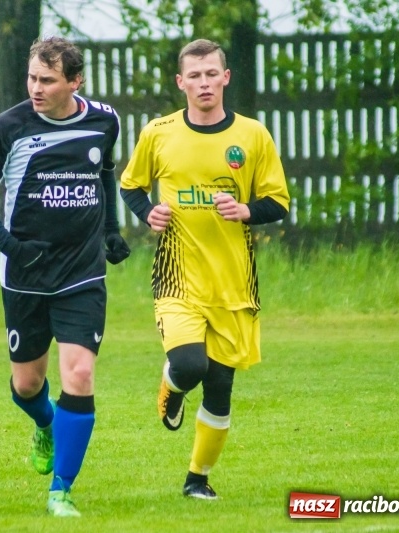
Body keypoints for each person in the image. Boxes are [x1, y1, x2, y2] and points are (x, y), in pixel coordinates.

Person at [0, 36, 130, 517]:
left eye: (48, 80)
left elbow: (103, 173)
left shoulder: (105, 120)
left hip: (81, 271)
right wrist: (15, 250)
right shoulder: (8, 127)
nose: (36, 88)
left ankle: (61, 490)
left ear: (75, 82)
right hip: (24, 277)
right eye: (32, 78)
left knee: (78, 373)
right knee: (27, 386)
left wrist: (112, 231)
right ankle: (45, 426)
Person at [119, 39, 290, 500]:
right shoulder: (159, 132)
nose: (204, 83)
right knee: (190, 363)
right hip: (177, 277)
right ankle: (172, 386)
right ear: (181, 83)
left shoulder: (253, 136)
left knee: (220, 386)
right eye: (194, 76)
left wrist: (246, 210)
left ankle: (197, 479)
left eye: (211, 73)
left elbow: (278, 202)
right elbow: (131, 186)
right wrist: (148, 212)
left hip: (233, 284)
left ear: (226, 77)